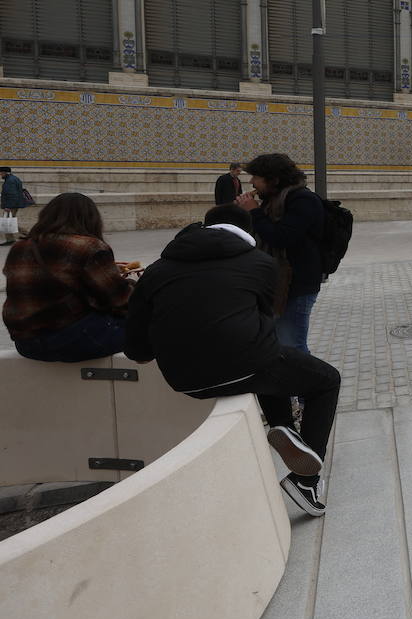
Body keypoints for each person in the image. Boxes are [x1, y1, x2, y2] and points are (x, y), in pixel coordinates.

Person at [125, 204, 340, 517]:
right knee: (325, 379)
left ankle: (285, 430)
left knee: (269, 363)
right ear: (248, 232)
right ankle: (306, 479)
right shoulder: (261, 263)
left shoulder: (157, 269)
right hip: (246, 365)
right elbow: (266, 320)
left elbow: (138, 351)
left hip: (183, 379)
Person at [2, 192, 133, 361]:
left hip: (26, 344)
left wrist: (107, 271)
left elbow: (45, 281)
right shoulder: (90, 246)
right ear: (91, 218)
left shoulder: (20, 246)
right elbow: (121, 301)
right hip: (71, 340)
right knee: (149, 322)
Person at [235, 153, 324, 355]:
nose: (251, 182)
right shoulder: (271, 200)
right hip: (275, 281)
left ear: (273, 179)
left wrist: (254, 212)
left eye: (256, 177)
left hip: (297, 283)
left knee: (291, 344)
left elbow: (281, 237)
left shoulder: (302, 200)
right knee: (279, 342)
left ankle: (308, 383)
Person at [1, 165, 30, 245]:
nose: (0, 175)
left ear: (5, 173)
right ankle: (27, 235)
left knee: (8, 222)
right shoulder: (13, 179)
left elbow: (12, 194)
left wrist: (8, 206)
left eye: (1, 173)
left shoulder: (10, 181)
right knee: (10, 222)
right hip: (14, 204)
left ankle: (12, 239)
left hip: (11, 205)